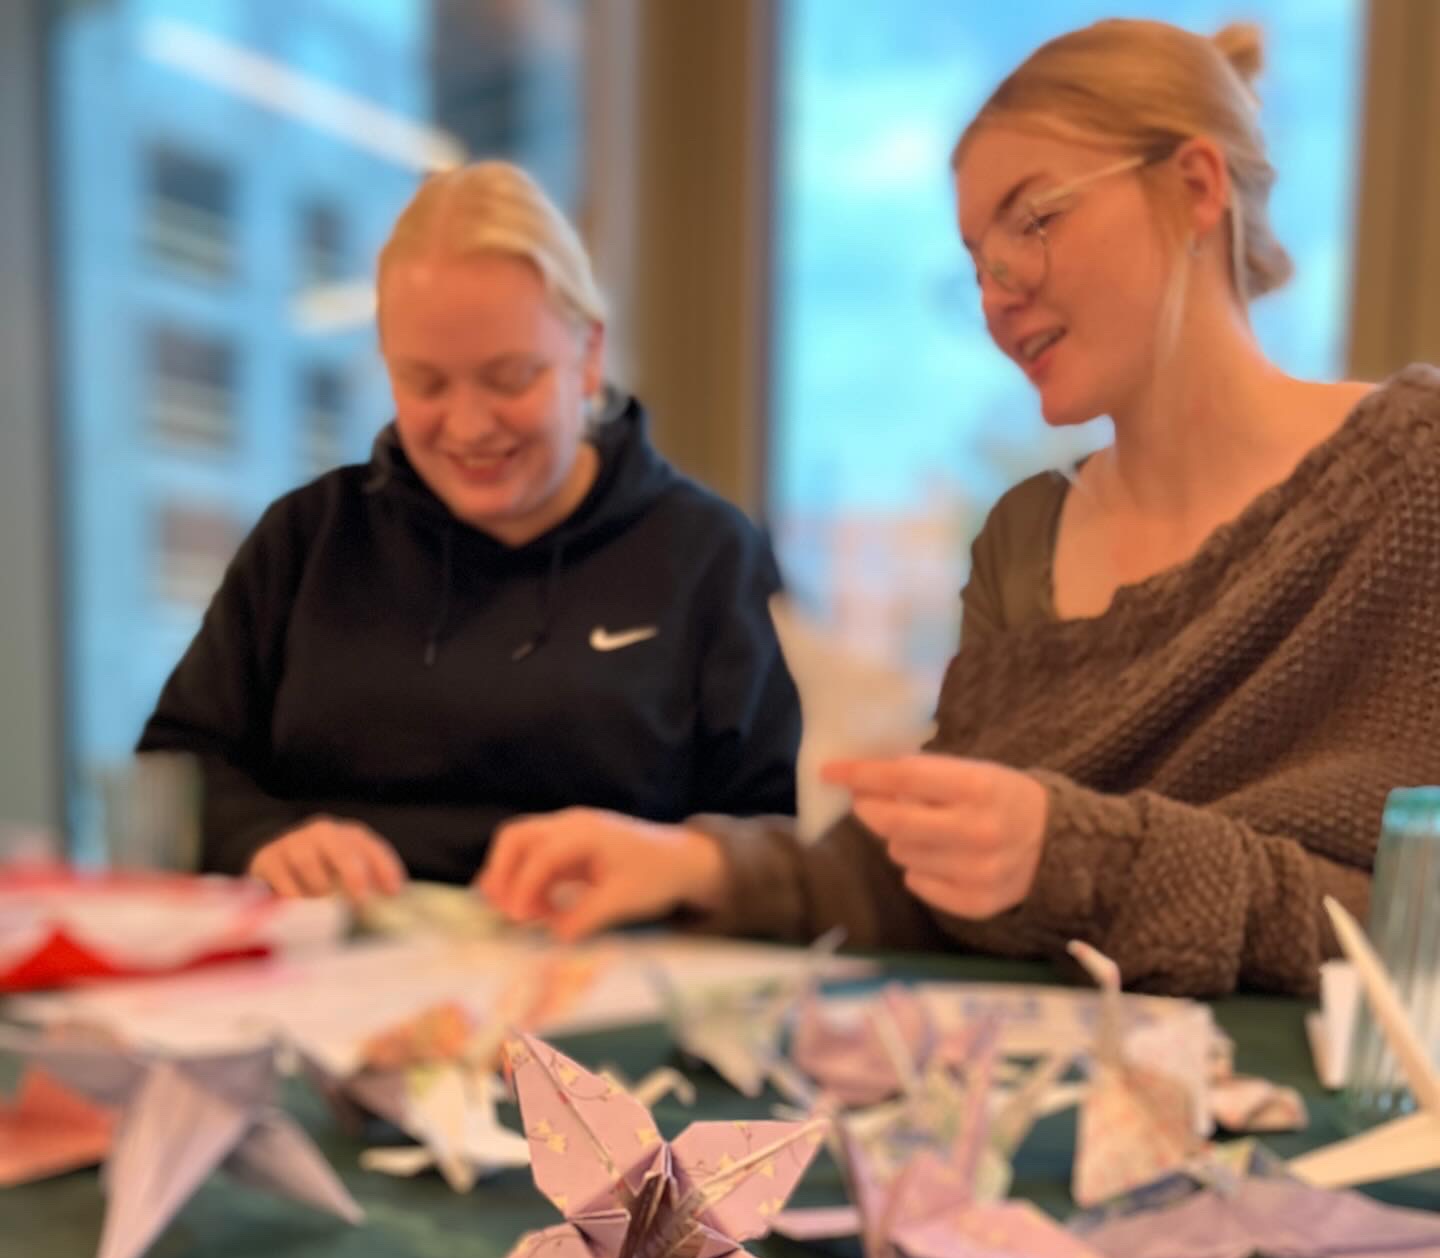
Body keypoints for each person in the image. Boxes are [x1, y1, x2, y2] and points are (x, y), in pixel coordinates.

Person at [477, 19, 1440, 997]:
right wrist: (699, 864)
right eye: (978, 261)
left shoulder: (1414, 483)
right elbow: (947, 883)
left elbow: (1414, 932)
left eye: (1035, 220)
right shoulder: (1024, 542)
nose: (997, 295)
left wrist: (1083, 858)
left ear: (1196, 186)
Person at [138, 161, 801, 900]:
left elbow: (777, 836)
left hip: (599, 954)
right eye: (425, 382)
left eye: (509, 377)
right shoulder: (307, 539)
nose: (469, 426)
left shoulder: (710, 556)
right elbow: (175, 771)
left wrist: (670, 863)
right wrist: (265, 840)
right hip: (336, 951)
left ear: (589, 356)